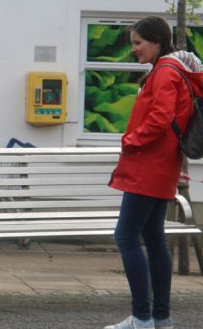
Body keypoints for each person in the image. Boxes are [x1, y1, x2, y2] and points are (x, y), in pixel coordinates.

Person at [105, 16, 202, 329]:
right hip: (163, 166)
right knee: (154, 238)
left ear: (157, 41)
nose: (134, 49)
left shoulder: (163, 73)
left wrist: (130, 141)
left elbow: (159, 120)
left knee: (126, 236)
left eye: (138, 43)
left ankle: (142, 317)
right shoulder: (173, 71)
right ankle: (160, 318)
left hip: (147, 166)